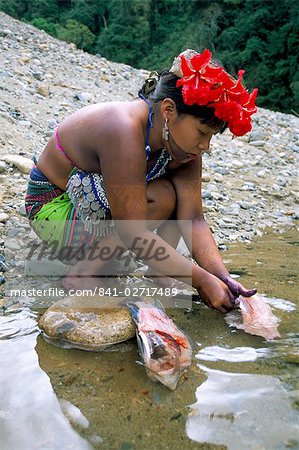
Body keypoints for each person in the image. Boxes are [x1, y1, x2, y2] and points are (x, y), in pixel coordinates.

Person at [25, 48, 258, 313]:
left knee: (170, 194)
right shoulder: (122, 129)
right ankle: (82, 274)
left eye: (211, 137)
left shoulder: (185, 147)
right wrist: (200, 280)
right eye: (202, 133)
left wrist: (221, 276)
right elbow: (132, 231)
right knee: (162, 196)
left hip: (98, 213)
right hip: (54, 208)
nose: (205, 145)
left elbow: (193, 219)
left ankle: (159, 271)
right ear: (169, 110)